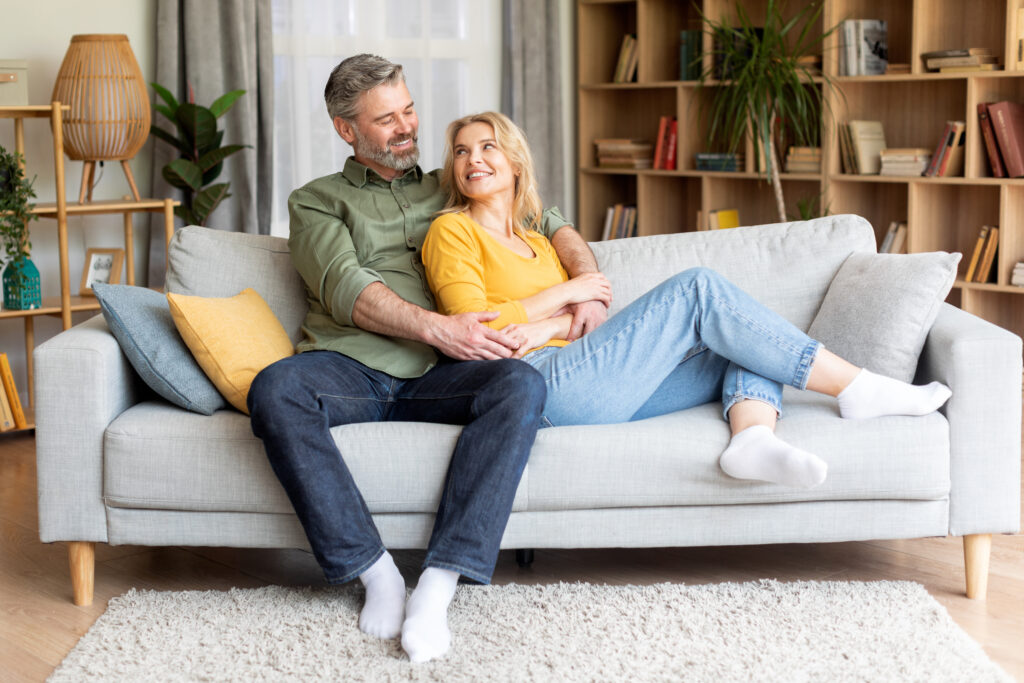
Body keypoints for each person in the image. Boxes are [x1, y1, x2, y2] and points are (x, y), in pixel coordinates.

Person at [247, 56, 602, 664]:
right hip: (352, 367)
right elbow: (346, 288)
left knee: (517, 386)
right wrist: (441, 327)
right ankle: (374, 570)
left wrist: (587, 277)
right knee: (276, 388)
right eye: (386, 119)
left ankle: (439, 584)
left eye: (408, 109)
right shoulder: (315, 202)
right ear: (347, 130)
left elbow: (546, 215)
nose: (406, 126)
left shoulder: (449, 180)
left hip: (442, 375)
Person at [422, 111, 953, 490]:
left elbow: (575, 324)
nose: (474, 159)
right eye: (463, 151)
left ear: (515, 162)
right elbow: (474, 326)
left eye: (487, 146)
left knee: (746, 341)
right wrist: (568, 294)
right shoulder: (452, 232)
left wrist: (550, 319)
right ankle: (856, 386)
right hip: (534, 388)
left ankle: (751, 441)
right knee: (698, 288)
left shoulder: (538, 240)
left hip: (583, 375)